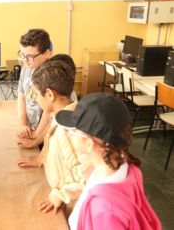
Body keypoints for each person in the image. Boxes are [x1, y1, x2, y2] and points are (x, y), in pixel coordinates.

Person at [56, 93, 161, 230]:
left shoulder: (105, 211)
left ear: (89, 143)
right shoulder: (124, 167)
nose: (68, 133)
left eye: (72, 131)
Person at [18, 59, 91, 214]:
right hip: (64, 197)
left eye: (37, 94)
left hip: (72, 205)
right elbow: (55, 147)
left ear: (50, 94)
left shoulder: (69, 129)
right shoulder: (61, 115)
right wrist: (42, 158)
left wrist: (58, 195)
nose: (36, 99)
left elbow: (87, 175)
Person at [17, 29, 77, 148]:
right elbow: (21, 97)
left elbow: (49, 112)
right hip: (32, 130)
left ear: (47, 53)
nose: (25, 60)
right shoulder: (26, 67)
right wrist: (23, 124)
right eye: (22, 54)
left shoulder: (52, 75)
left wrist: (36, 135)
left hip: (45, 134)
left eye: (30, 56)